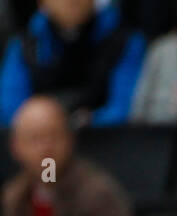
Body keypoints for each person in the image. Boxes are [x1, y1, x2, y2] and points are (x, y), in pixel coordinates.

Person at [0, 95, 140, 216]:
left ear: (69, 139)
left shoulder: (98, 195)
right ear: (15, 147)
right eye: (35, 139)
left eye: (53, 136)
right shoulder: (12, 198)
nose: (45, 148)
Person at [0, 0, 145, 126]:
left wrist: (92, 120)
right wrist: (48, 122)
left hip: (104, 141)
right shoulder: (24, 46)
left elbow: (126, 106)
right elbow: (10, 109)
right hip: (38, 145)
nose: (71, 1)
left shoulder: (126, 41)